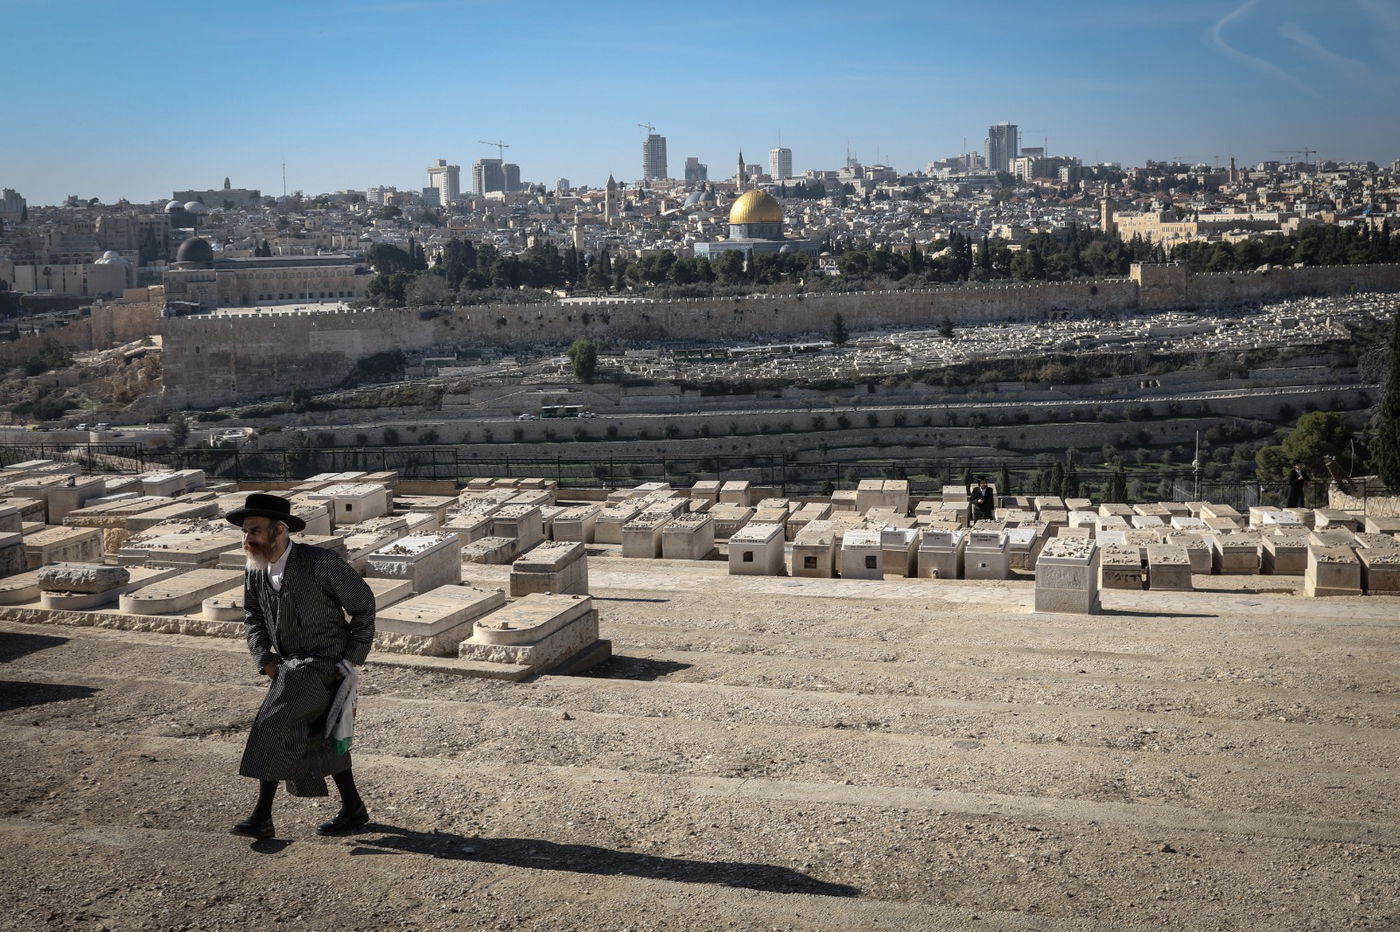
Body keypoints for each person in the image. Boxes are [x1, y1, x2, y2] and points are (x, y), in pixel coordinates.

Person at [225, 493, 376, 840]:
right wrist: (265, 659)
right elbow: (253, 615)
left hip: (325, 664)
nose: (247, 539)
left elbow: (364, 605)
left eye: (255, 531)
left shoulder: (320, 562)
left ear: (280, 530)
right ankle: (353, 808)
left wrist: (352, 659)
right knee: (318, 738)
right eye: (245, 532)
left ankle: (262, 816)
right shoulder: (256, 569)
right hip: (287, 667)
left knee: (273, 722)